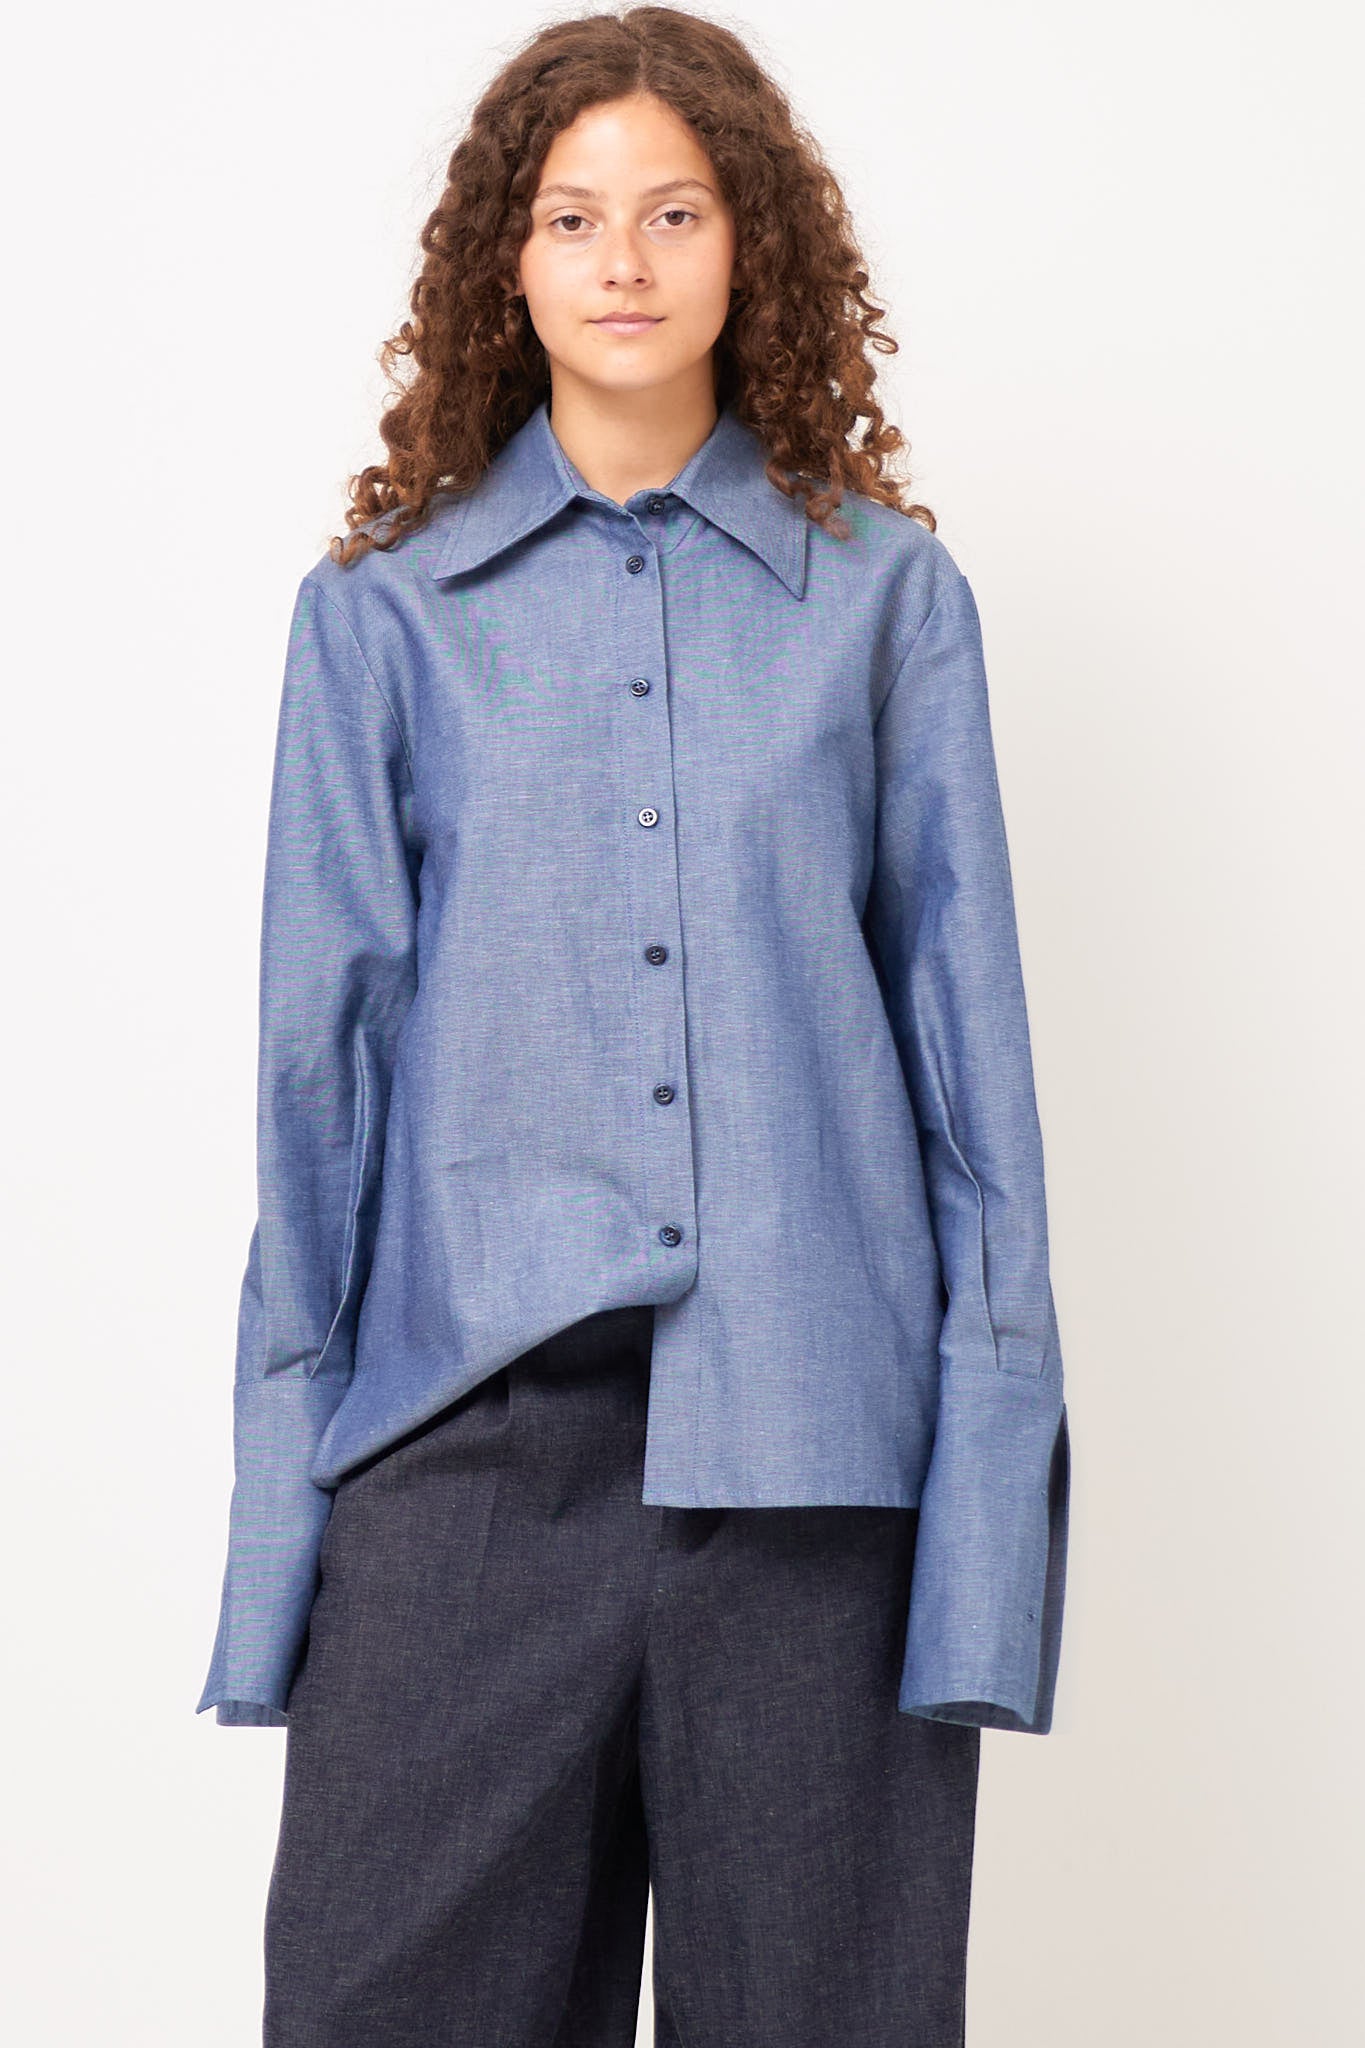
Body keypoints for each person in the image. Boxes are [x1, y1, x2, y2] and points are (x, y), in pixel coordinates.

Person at [196, 7, 1071, 2042]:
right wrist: (277, 1537)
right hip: (465, 1465)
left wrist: (982, 1541)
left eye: (674, 213)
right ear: (503, 259)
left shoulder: (884, 605)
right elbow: (315, 1090)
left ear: (748, 244)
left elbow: (976, 1094)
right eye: (572, 216)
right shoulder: (380, 616)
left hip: (816, 1478)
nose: (621, 262)